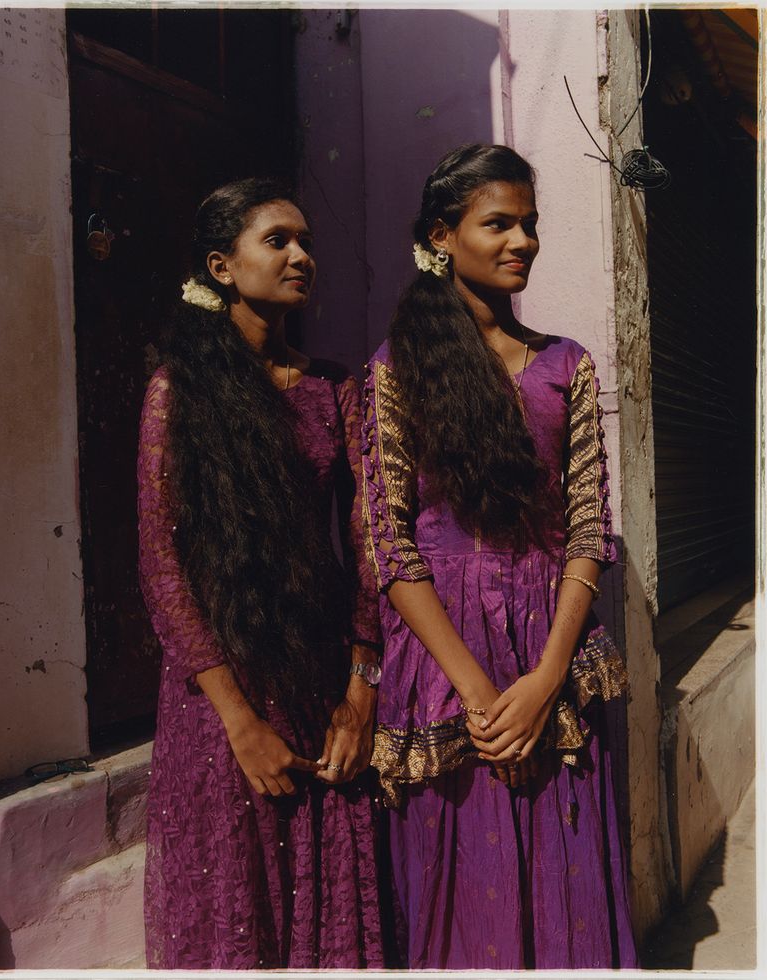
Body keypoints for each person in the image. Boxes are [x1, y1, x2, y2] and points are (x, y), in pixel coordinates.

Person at [361, 144, 638, 969]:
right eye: (499, 224)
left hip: (553, 644)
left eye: (530, 224)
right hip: (445, 659)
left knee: (566, 875)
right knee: (464, 885)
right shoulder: (398, 370)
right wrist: (481, 698)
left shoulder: (567, 365)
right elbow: (389, 542)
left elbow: (588, 527)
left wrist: (547, 679)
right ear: (442, 236)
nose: (522, 241)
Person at [137, 178, 384, 969]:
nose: (301, 255)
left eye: (306, 241)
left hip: (321, 680)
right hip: (222, 696)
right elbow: (162, 565)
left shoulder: (334, 389)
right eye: (278, 241)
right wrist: (240, 725)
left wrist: (360, 696)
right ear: (222, 266)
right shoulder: (181, 392)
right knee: (238, 910)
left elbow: (370, 551)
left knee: (329, 898)